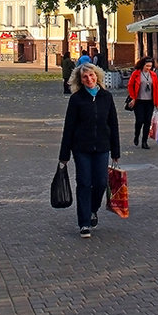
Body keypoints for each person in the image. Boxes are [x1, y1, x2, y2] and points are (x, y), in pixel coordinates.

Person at [58, 61, 120, 238]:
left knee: (100, 182)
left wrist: (116, 152)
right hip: (81, 148)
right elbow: (68, 127)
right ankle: (84, 222)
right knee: (84, 182)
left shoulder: (106, 97)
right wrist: (64, 155)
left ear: (97, 76)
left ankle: (93, 209)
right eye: (85, 77)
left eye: (92, 75)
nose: (89, 79)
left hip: (102, 147)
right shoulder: (76, 99)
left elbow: (113, 125)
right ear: (81, 80)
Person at [125, 56, 158, 149]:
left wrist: (157, 103)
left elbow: (156, 89)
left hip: (150, 101)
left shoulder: (153, 75)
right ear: (142, 65)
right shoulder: (136, 74)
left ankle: (144, 141)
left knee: (148, 121)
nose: (148, 68)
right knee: (140, 120)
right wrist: (133, 97)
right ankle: (136, 136)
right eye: (147, 66)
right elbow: (130, 85)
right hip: (139, 101)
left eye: (150, 66)